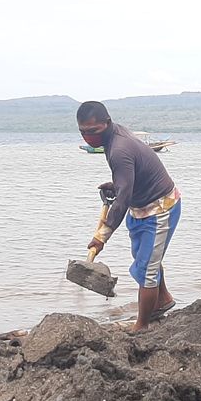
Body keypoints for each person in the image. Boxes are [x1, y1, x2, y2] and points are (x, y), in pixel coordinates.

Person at [77, 100, 181, 332]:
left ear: (107, 123)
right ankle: (163, 300)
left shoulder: (119, 149)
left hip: (160, 208)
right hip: (141, 206)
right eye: (83, 132)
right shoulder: (113, 135)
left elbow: (123, 200)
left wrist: (102, 236)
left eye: (93, 131)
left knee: (147, 269)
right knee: (145, 259)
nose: (88, 137)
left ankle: (142, 325)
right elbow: (130, 177)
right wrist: (118, 185)